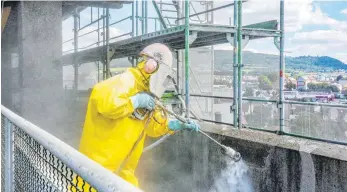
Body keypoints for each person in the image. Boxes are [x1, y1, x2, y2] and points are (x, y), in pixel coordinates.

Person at [73, 43, 200, 190]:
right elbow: (106, 104)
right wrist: (135, 101)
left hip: (122, 172)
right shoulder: (127, 80)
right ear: (152, 65)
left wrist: (175, 124)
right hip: (97, 169)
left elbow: (153, 126)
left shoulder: (148, 93)